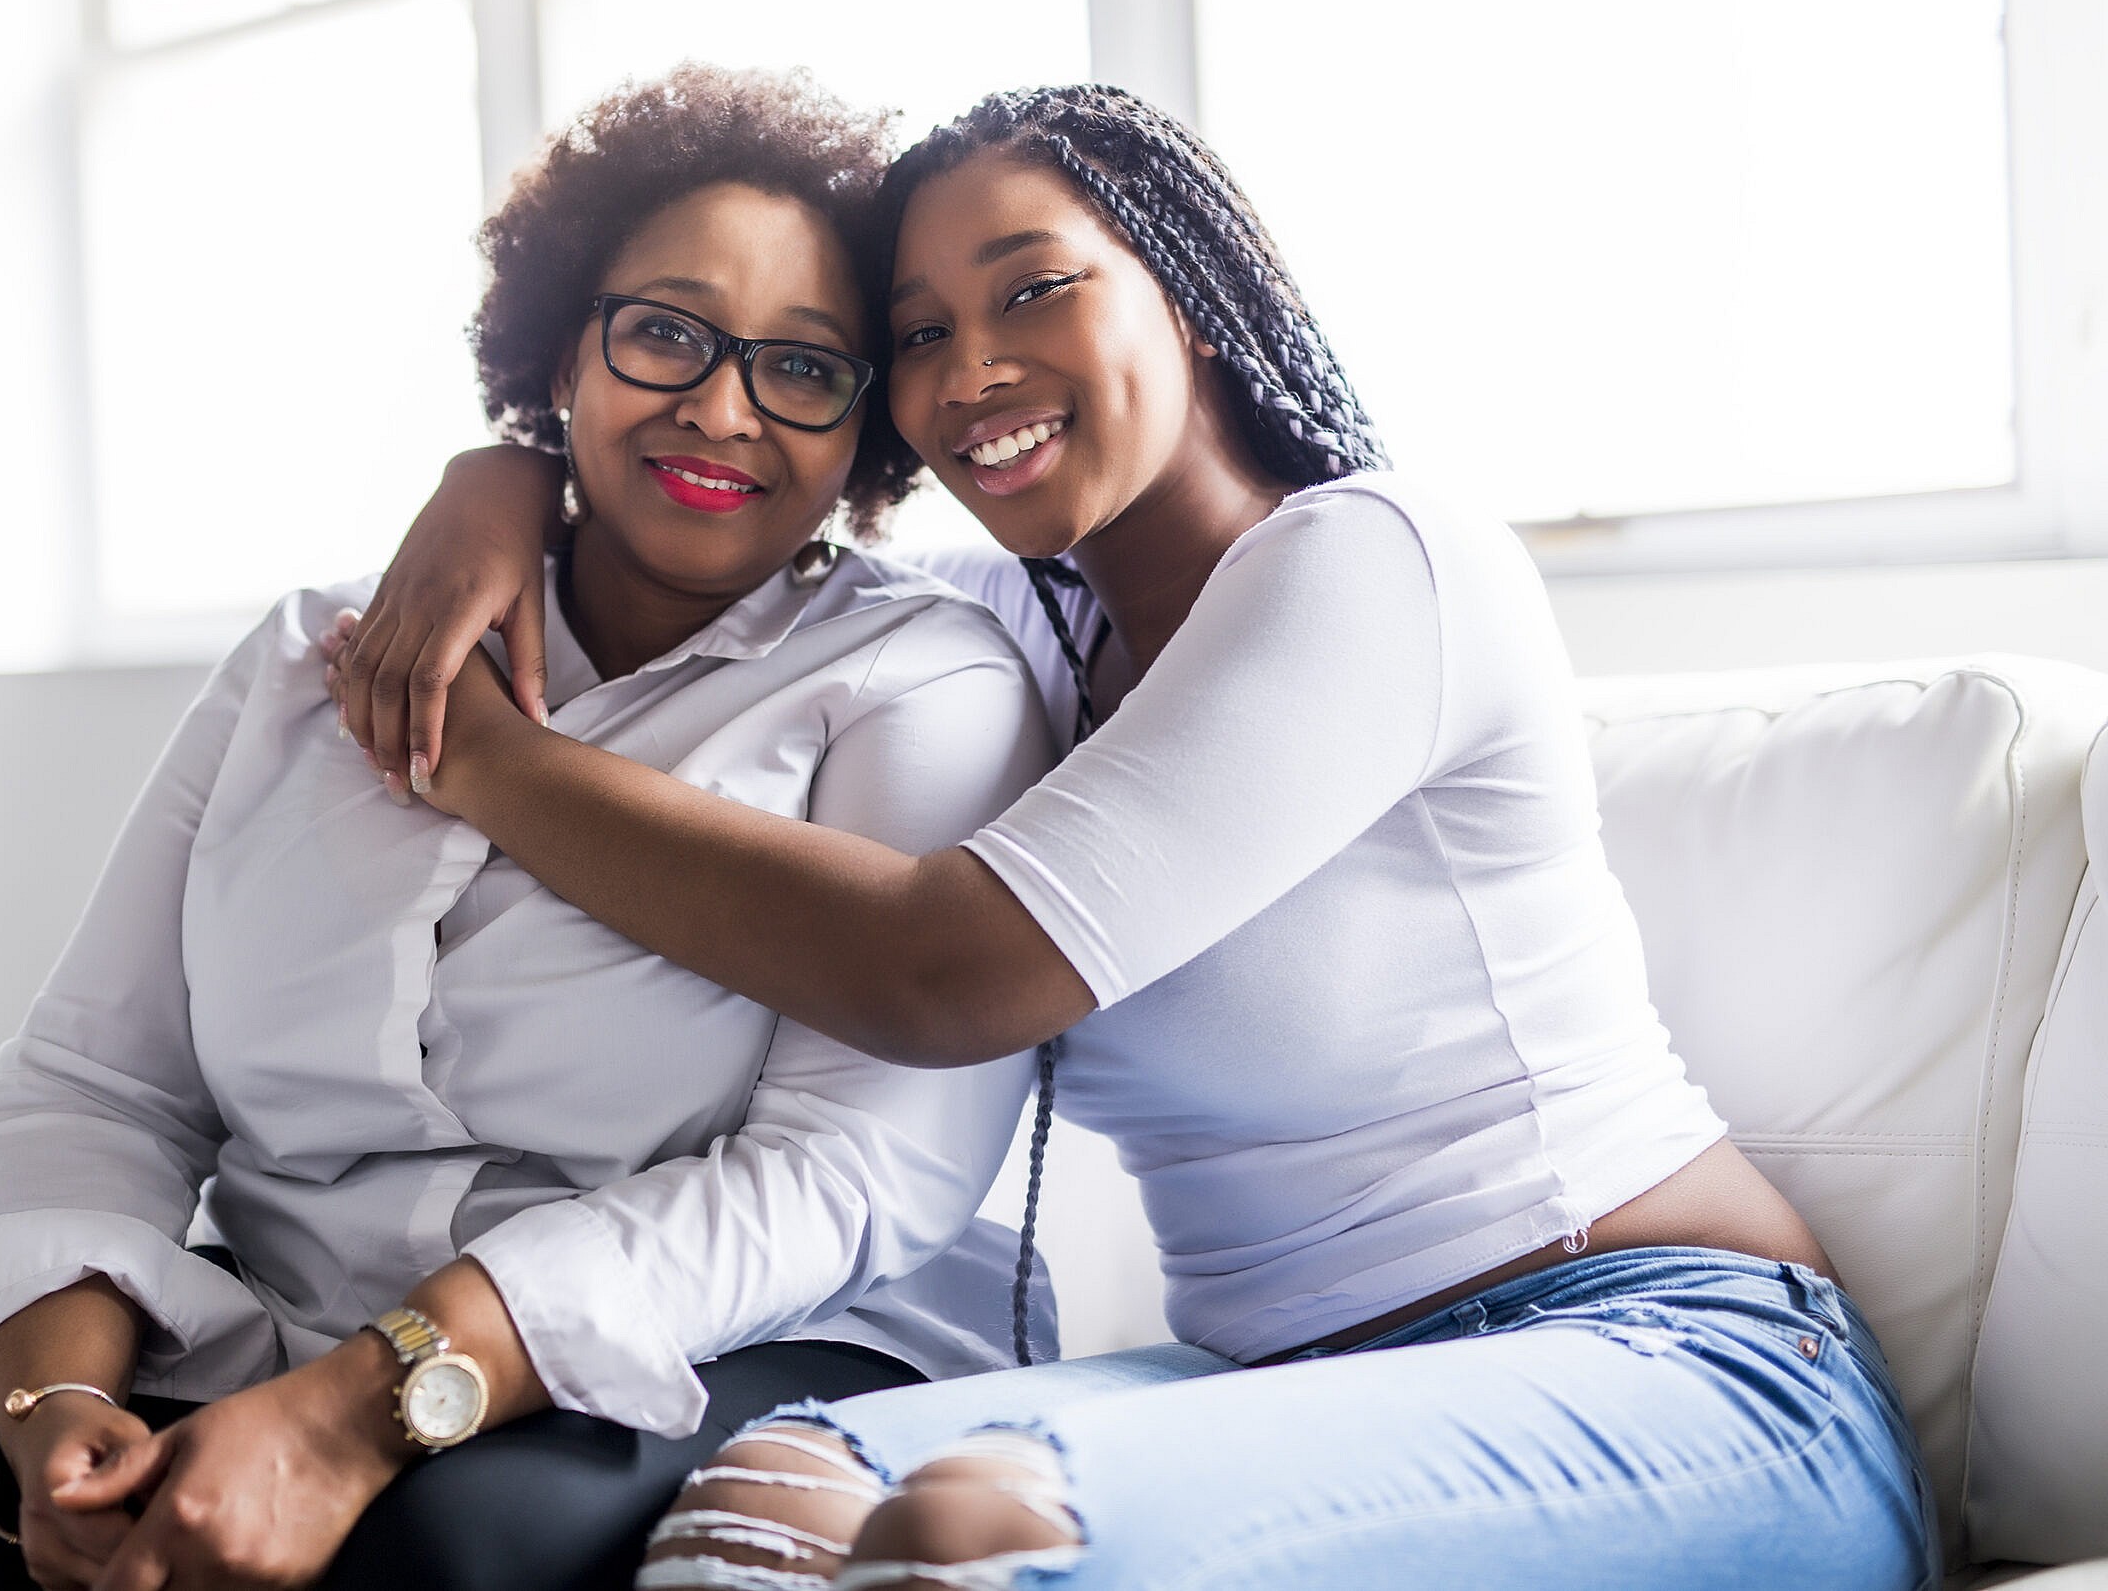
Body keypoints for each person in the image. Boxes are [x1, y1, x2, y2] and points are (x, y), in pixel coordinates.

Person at [325, 85, 1941, 1590]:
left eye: (1034, 290)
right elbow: (719, 523)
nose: (969, 374)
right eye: (917, 335)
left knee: (966, 1533)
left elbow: (943, 971)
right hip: (1281, 1382)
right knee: (767, 1501)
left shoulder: (1378, 563)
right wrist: (504, 480)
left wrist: (479, 759)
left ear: (1186, 287)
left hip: (1674, 1363)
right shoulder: (1008, 637)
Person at [0, 66, 1064, 1591]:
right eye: (664, 332)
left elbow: (844, 1183)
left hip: (743, 1333)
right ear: (561, 352)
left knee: (443, 1557)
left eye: (805, 367)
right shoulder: (303, 659)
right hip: (290, 1320)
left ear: (870, 429)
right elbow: (100, 1078)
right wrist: (59, 1401)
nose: (721, 407)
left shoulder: (915, 681)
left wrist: (360, 1410)